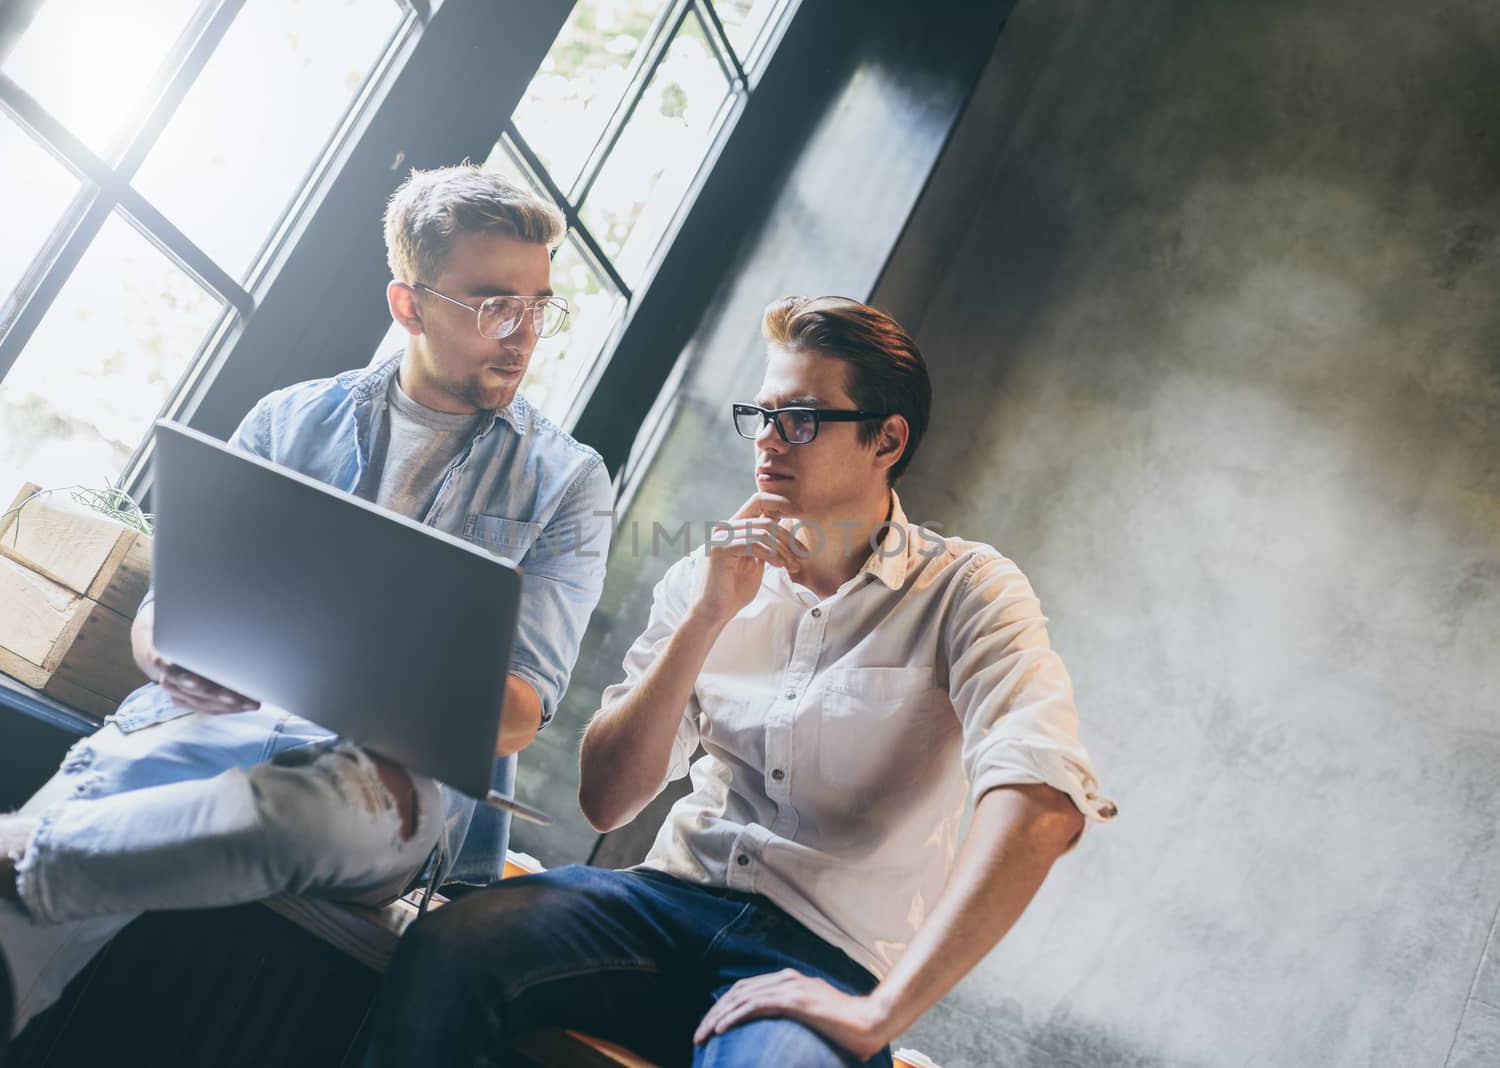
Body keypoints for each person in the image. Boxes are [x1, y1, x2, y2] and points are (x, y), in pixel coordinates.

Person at [0, 164, 612, 1049]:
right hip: (202, 728)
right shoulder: (288, 420)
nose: (522, 335)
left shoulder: (569, 481)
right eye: (490, 305)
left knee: (288, 808)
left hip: (386, 777)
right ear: (409, 305)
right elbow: (163, 618)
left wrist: (341, 668)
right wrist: (170, 652)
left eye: (540, 306)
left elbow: (514, 715)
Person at [364, 296, 1117, 1067]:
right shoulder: (707, 573)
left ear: (886, 439)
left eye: (799, 419)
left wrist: (883, 1013)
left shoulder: (969, 590)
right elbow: (607, 798)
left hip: (828, 955)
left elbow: (1042, 806)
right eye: (759, 415)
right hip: (660, 903)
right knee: (452, 942)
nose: (766, 441)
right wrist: (709, 615)